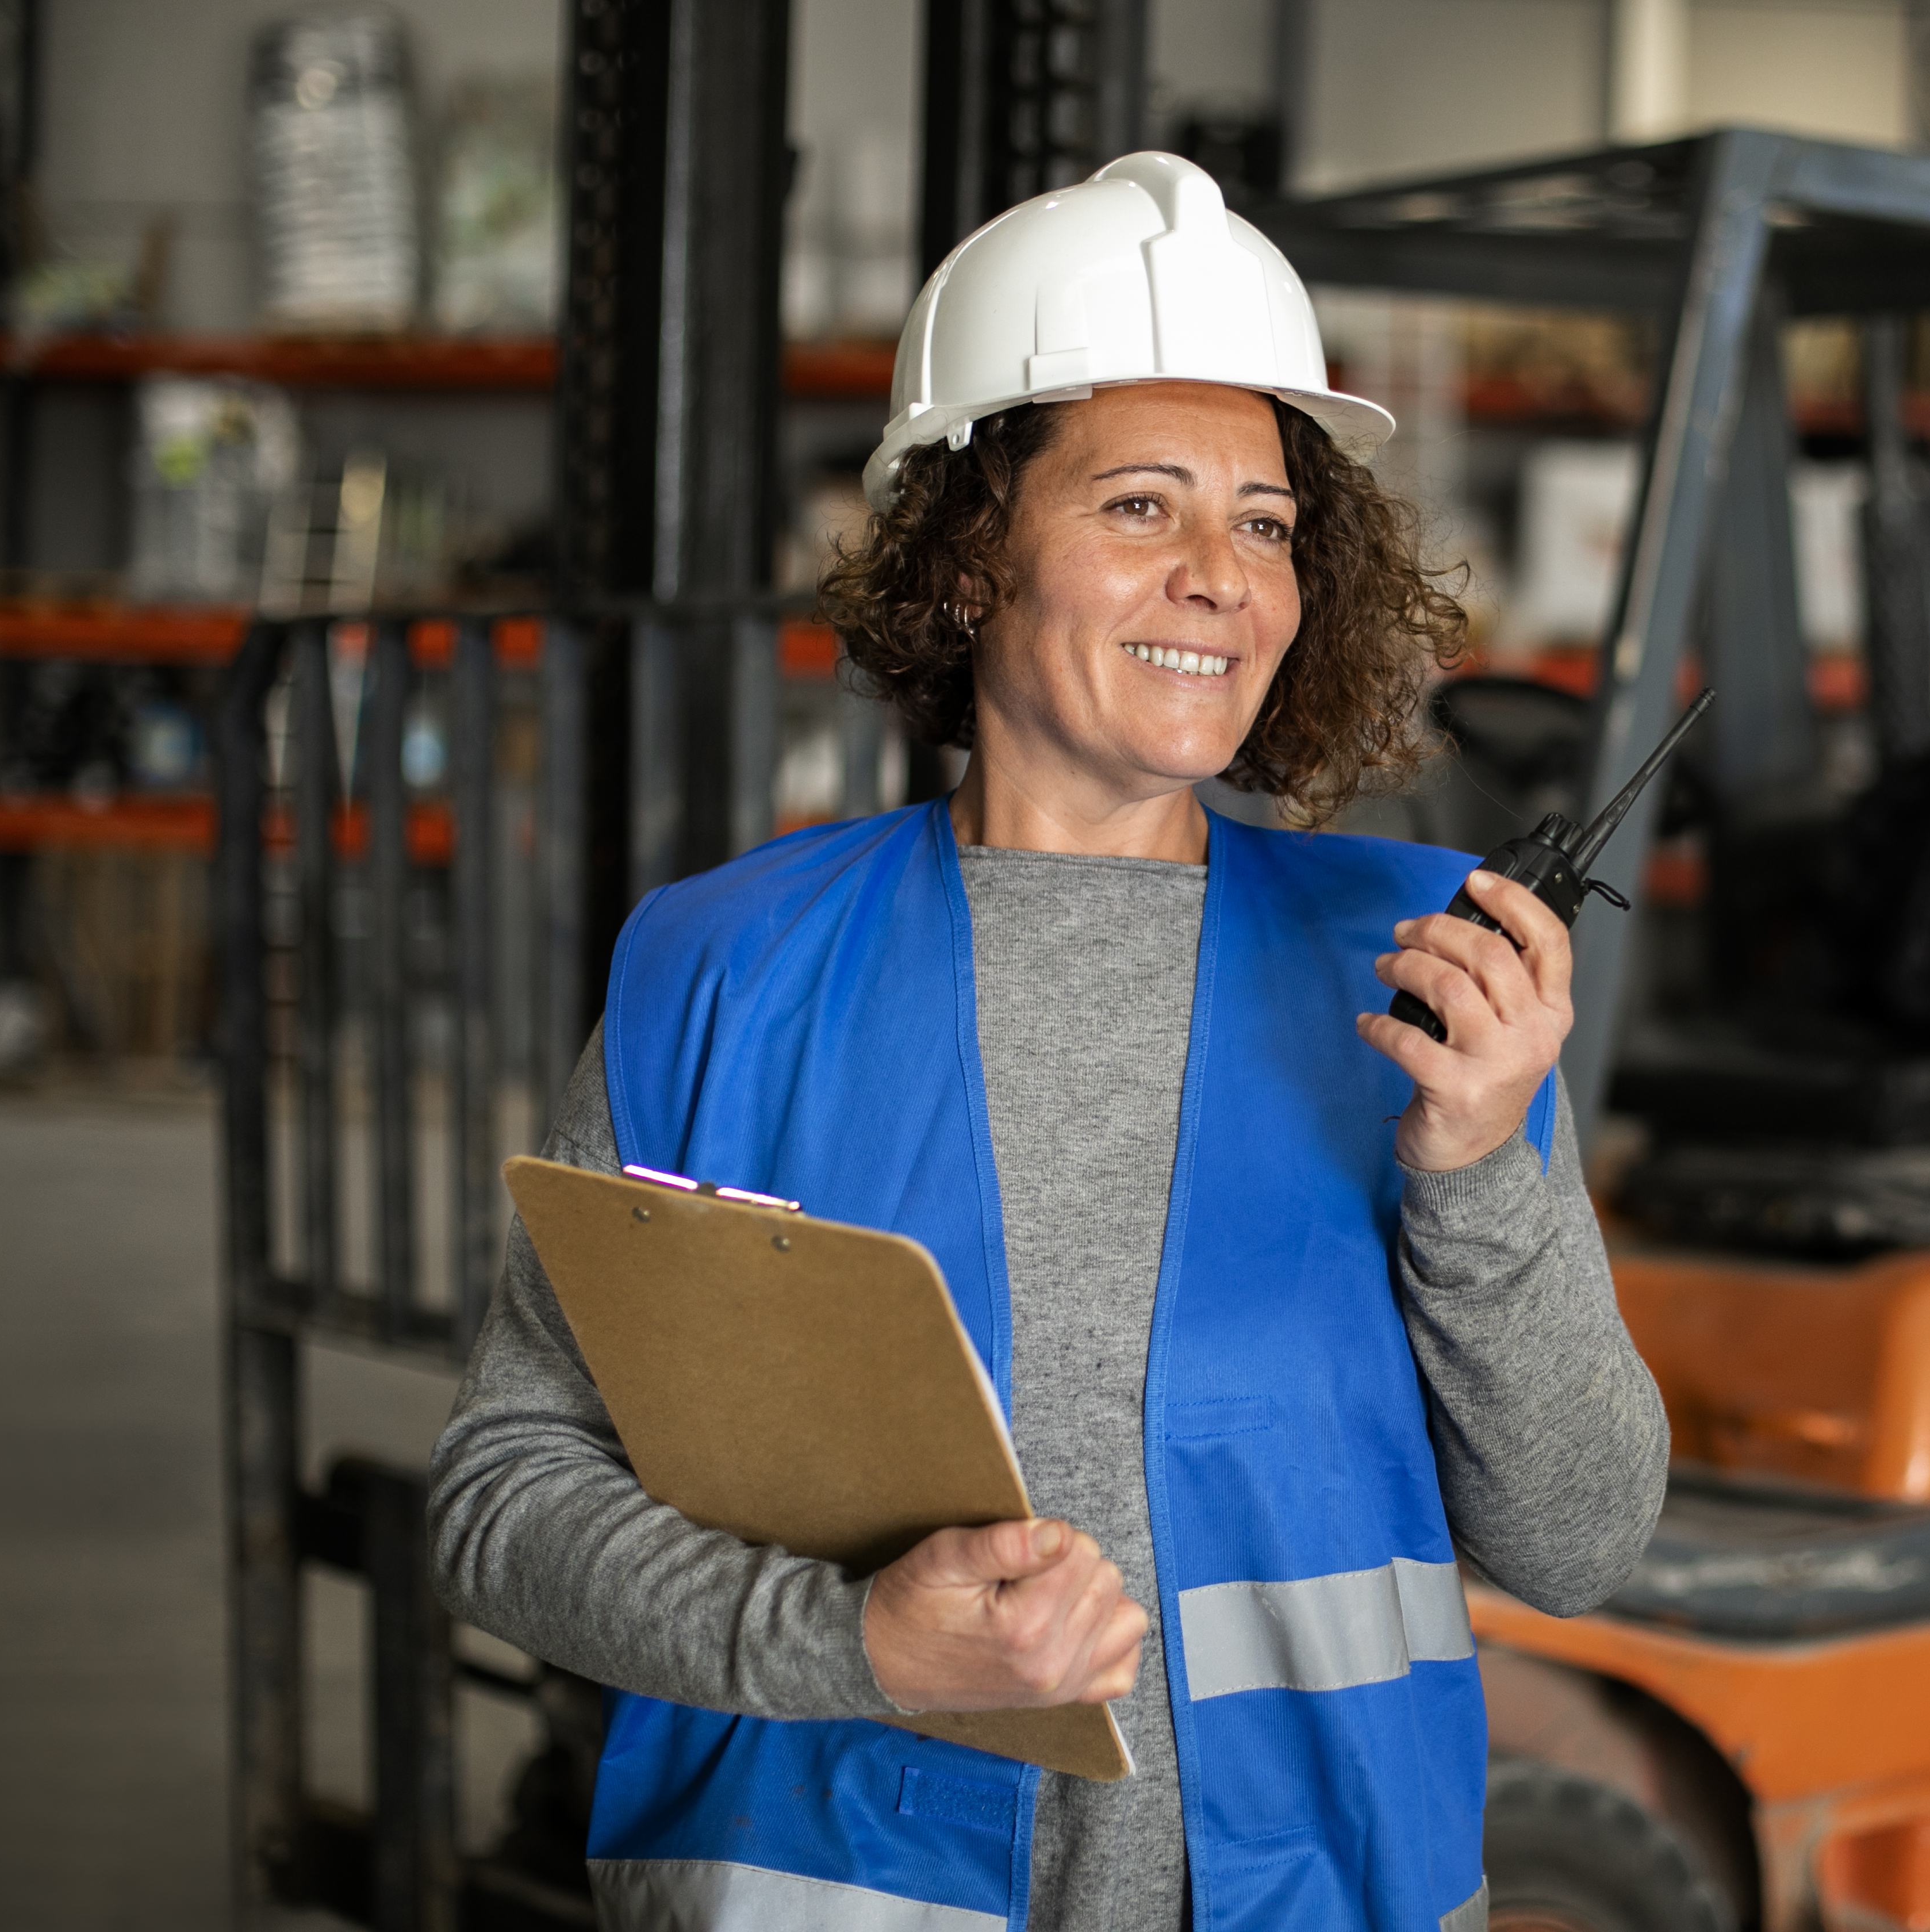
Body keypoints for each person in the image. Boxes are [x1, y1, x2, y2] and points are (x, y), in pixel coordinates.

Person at [430, 152, 1667, 1932]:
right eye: (1143, 507)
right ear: (964, 562)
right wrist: (848, 1639)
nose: (1221, 579)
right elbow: (502, 1493)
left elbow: (1582, 1537)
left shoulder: (1420, 976)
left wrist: (1478, 1176)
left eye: (1264, 523)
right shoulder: (729, 970)